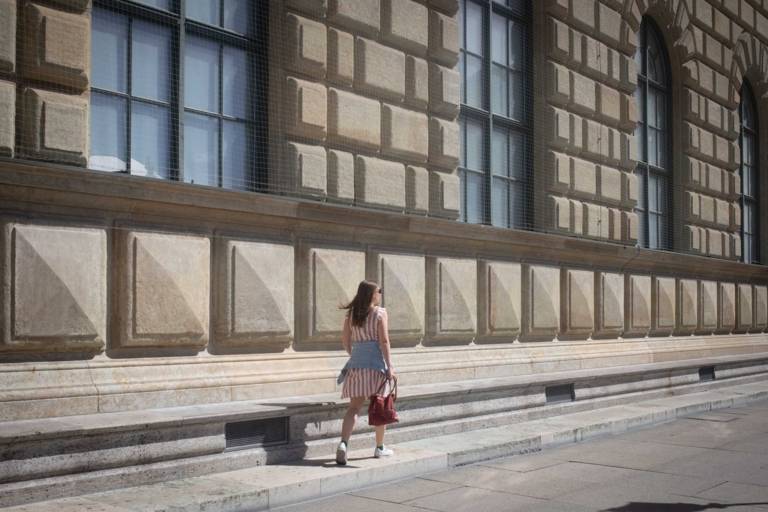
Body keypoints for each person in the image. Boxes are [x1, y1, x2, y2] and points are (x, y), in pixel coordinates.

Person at [335, 280, 395, 465]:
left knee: (354, 408)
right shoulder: (380, 313)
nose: (380, 294)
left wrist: (355, 355)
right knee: (379, 405)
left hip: (356, 365)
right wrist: (390, 366)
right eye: (379, 291)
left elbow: (345, 341)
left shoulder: (351, 314)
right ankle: (379, 447)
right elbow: (384, 341)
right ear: (372, 294)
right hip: (376, 366)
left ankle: (343, 444)